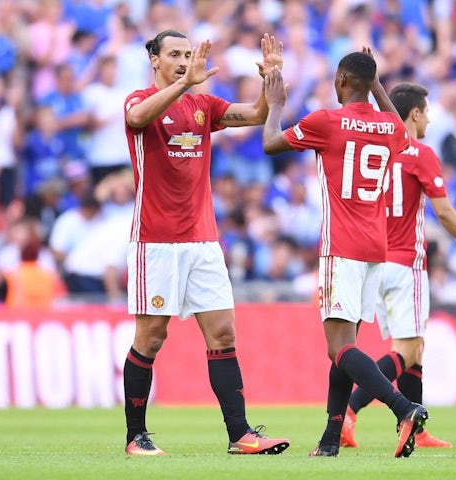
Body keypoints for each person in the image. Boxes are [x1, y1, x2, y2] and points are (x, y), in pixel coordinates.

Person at [122, 29, 289, 456]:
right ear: (155, 61)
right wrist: (185, 82)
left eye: (187, 53)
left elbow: (255, 113)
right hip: (155, 241)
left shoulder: (203, 106)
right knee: (152, 336)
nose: (182, 60)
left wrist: (272, 79)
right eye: (174, 54)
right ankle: (135, 437)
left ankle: (240, 434)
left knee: (223, 332)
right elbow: (138, 119)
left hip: (203, 240)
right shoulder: (138, 100)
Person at [262, 53, 428, 458]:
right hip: (376, 248)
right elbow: (405, 136)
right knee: (344, 347)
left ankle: (404, 409)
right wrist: (377, 85)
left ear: (339, 80)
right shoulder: (389, 125)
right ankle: (330, 440)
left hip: (341, 247)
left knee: (340, 348)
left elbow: (270, 143)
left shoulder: (326, 121)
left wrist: (276, 104)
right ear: (369, 82)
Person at [340, 82, 456, 449]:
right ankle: (350, 410)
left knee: (415, 349)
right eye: (427, 111)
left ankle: (417, 430)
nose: (430, 119)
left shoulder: (375, 151)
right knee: (407, 348)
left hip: (372, 261)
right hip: (406, 262)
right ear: (416, 114)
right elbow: (444, 211)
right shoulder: (419, 153)